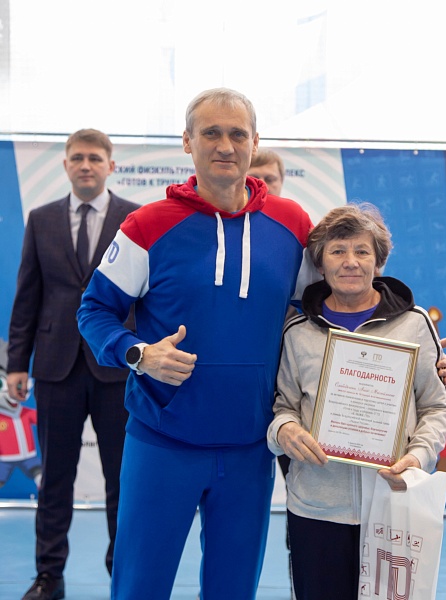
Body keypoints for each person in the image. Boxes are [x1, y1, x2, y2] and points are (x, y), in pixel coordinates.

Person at [76, 88, 315, 599]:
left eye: (237, 134)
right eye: (211, 133)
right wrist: (140, 354)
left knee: (233, 590)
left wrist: (407, 350)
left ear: (255, 142)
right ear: (187, 141)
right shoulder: (147, 225)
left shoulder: (293, 225)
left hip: (251, 446)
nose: (225, 145)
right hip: (162, 442)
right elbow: (94, 310)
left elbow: (327, 313)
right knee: (139, 587)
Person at [266, 202, 446, 600]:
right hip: (316, 509)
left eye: (362, 251)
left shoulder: (415, 323)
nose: (350, 261)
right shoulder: (297, 332)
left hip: (393, 504)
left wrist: (418, 457)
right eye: (337, 251)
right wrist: (285, 431)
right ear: (320, 263)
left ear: (378, 261)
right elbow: (283, 405)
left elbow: (437, 407)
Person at [6, 129, 139, 600]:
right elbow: (27, 296)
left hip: (116, 366)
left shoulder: (135, 219)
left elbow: (146, 296)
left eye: (95, 158)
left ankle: (123, 571)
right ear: (65, 165)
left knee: (122, 478)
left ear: (110, 166)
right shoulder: (41, 219)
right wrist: (17, 364)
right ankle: (49, 576)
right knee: (55, 480)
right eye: (77, 157)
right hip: (55, 366)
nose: (86, 165)